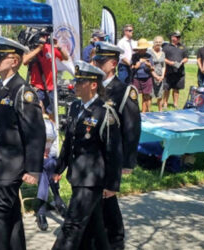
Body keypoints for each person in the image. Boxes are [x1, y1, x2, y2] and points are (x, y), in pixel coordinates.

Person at [0, 36, 46, 250]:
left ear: (14, 61)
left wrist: (34, 169)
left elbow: (35, 132)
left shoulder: (23, 92)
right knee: (11, 221)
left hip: (9, 167)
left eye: (0, 57)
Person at [52, 61, 123, 250]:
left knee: (72, 225)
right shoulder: (76, 107)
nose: (75, 85)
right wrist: (60, 167)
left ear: (93, 85)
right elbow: (70, 141)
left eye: (80, 82)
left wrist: (112, 184)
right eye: (76, 81)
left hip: (92, 180)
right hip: (77, 175)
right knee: (94, 227)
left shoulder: (104, 113)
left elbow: (113, 152)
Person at [93, 42, 141, 250]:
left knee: (107, 198)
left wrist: (128, 162)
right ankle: (102, 238)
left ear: (113, 64)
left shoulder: (123, 91)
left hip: (112, 156)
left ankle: (115, 240)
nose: (96, 64)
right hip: (94, 156)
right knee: (100, 199)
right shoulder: (95, 87)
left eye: (100, 61)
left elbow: (132, 128)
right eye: (95, 60)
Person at [35, 101, 67, 231]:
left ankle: (41, 210)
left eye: (39, 107)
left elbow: (54, 149)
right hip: (31, 162)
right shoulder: (27, 124)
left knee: (49, 165)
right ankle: (58, 200)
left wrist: (47, 154)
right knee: (47, 166)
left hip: (47, 161)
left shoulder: (49, 124)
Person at [22, 35, 68, 114]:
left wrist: (59, 47)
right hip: (38, 87)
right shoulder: (33, 50)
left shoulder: (50, 48)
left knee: (52, 114)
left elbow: (65, 58)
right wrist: (39, 48)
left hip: (51, 87)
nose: (44, 38)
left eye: (45, 37)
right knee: (38, 111)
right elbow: (25, 60)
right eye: (42, 37)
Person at [162, 31, 188, 109]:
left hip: (179, 71)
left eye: (179, 37)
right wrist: (170, 62)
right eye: (176, 37)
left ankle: (175, 104)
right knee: (167, 88)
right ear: (172, 37)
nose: (177, 38)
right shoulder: (166, 47)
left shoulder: (183, 47)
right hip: (169, 71)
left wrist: (182, 61)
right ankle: (165, 103)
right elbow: (162, 58)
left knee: (177, 88)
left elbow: (186, 58)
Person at [131, 38, 154, 112]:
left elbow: (152, 68)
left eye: (144, 49)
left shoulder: (149, 56)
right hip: (136, 78)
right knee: (134, 95)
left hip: (147, 78)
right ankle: (135, 111)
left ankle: (143, 112)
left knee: (146, 96)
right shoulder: (134, 56)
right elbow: (131, 67)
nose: (143, 50)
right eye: (141, 49)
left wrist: (149, 66)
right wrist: (136, 65)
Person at [148, 36, 166, 112]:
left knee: (160, 95)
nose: (158, 43)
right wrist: (155, 76)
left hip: (160, 77)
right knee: (150, 96)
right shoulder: (149, 52)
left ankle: (160, 112)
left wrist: (162, 76)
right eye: (156, 42)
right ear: (154, 43)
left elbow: (164, 65)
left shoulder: (163, 53)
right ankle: (148, 112)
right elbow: (148, 66)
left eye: (159, 42)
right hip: (151, 76)